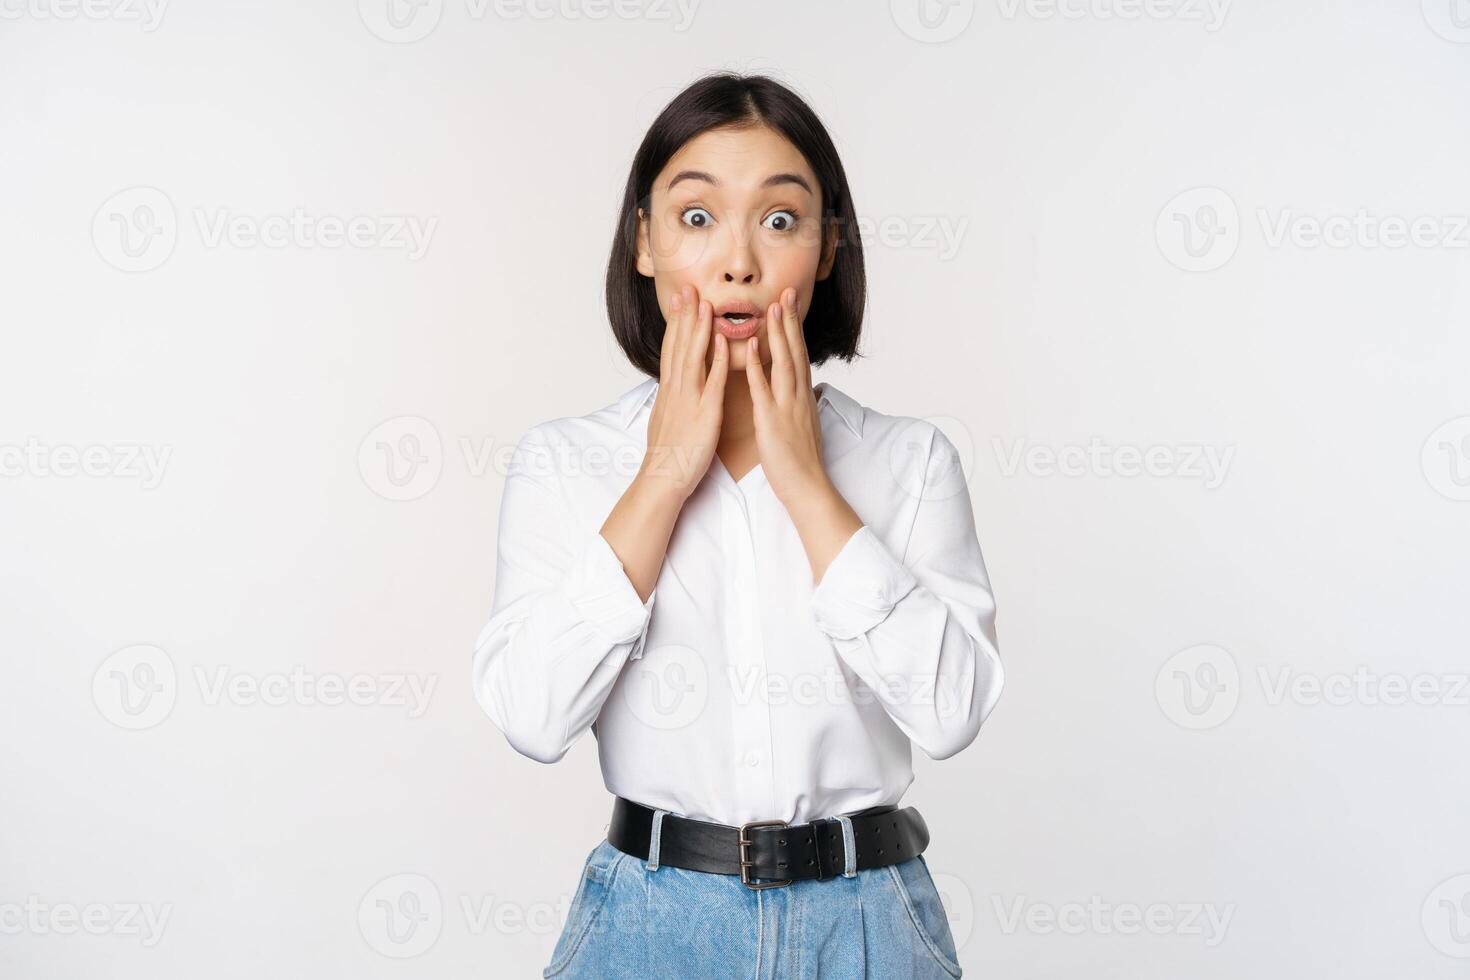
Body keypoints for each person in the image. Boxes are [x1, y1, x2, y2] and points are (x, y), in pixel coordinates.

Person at [472, 71, 1003, 979]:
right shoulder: (565, 462)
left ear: (827, 249)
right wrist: (666, 475)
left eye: (781, 219)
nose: (738, 263)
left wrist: (807, 484)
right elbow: (532, 715)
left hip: (868, 920)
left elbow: (952, 714)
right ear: (644, 243)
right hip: (650, 921)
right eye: (696, 217)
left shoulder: (909, 463)